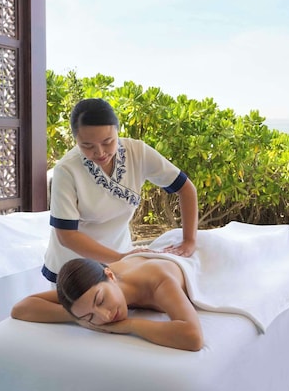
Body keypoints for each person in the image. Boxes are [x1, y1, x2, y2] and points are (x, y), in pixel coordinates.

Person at [43, 98, 198, 283]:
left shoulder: (138, 152)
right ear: (76, 140)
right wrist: (121, 258)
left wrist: (189, 241)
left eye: (108, 142)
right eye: (87, 146)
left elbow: (186, 188)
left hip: (120, 258)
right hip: (74, 267)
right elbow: (67, 236)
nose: (100, 152)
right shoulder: (67, 170)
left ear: (118, 130)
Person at [11, 256, 203, 351]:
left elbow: (192, 337)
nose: (105, 316)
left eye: (101, 301)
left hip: (194, 257)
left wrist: (130, 325)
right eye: (90, 316)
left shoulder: (157, 280)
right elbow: (21, 308)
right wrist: (77, 318)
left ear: (110, 275)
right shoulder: (88, 294)